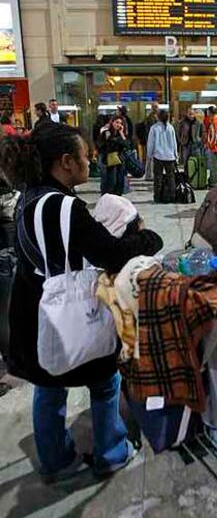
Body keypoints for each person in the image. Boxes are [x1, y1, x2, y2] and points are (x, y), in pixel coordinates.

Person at [0, 122, 163, 483]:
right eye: (85, 157)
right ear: (65, 162)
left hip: (34, 311)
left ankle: (57, 460)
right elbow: (112, 253)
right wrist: (147, 238)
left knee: (49, 388)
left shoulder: (30, 196)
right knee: (105, 384)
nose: (90, 162)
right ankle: (111, 453)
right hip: (70, 313)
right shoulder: (64, 207)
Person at [147, 110, 178, 203]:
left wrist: (149, 154)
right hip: (170, 156)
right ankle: (172, 196)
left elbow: (151, 143)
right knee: (171, 177)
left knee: (158, 177)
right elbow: (174, 142)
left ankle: (158, 197)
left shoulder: (154, 128)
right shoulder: (170, 127)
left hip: (158, 156)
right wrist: (176, 154)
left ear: (158, 117)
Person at [98, 115, 128, 196]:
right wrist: (113, 140)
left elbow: (126, 145)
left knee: (120, 181)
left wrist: (122, 134)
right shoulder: (106, 132)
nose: (118, 125)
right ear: (112, 122)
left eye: (120, 123)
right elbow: (102, 146)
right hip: (110, 160)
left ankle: (117, 197)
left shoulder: (121, 133)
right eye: (116, 122)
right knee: (111, 181)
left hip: (120, 160)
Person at [177, 108, 205, 175]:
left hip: (196, 145)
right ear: (187, 114)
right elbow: (178, 133)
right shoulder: (182, 122)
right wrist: (181, 140)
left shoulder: (198, 123)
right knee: (186, 161)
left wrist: (200, 141)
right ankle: (187, 176)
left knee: (197, 161)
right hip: (186, 145)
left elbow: (202, 133)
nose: (191, 115)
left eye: (192, 114)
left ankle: (196, 177)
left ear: (194, 114)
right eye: (189, 114)